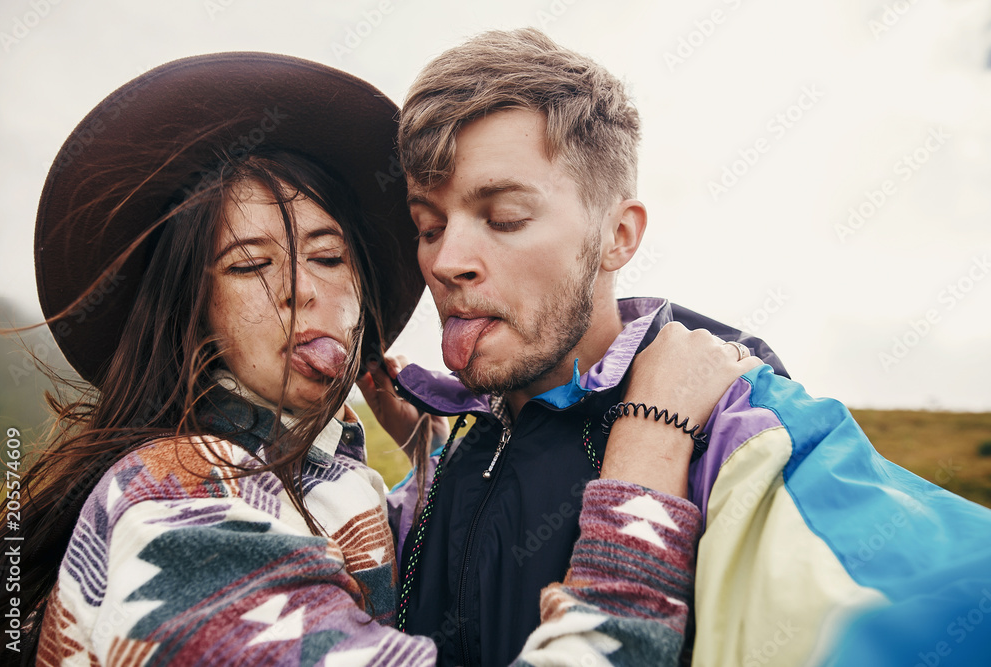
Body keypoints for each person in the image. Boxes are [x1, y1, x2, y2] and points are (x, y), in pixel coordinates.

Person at [0, 52, 754, 667]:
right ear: (194, 312)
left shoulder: (315, 483)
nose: (301, 290)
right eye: (252, 265)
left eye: (327, 255)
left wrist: (438, 468)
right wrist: (648, 453)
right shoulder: (174, 506)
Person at [362, 28, 991, 666]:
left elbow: (945, 600)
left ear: (618, 236)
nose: (446, 260)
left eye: (505, 219)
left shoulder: (740, 427)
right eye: (428, 226)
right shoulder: (448, 462)